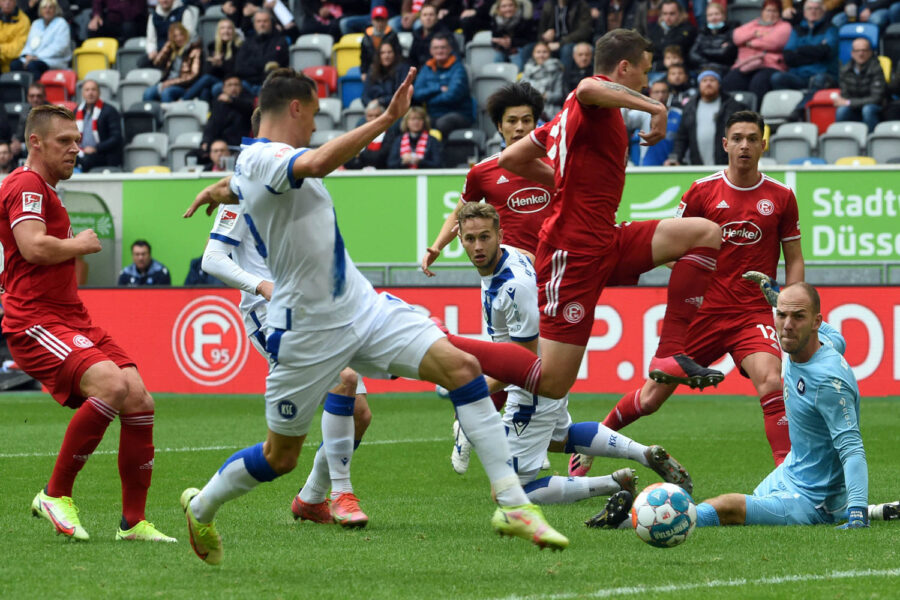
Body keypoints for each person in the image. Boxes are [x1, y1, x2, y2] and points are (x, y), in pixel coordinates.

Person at [179, 66, 569, 565]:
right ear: (295, 108)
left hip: (363, 306)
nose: (315, 127)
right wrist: (387, 118)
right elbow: (315, 163)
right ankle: (204, 507)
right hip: (307, 329)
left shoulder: (255, 166)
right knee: (281, 457)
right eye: (314, 115)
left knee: (463, 369)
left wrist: (219, 190)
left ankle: (513, 504)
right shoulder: (266, 155)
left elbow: (247, 183)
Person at [433, 29, 725, 416]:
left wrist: (563, 180)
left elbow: (511, 159)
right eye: (644, 71)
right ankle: (440, 339)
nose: (646, 81)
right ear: (624, 68)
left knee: (705, 233)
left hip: (605, 238)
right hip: (570, 254)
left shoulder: (569, 117)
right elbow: (589, 86)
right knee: (553, 382)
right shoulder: (589, 100)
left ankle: (670, 352)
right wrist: (656, 107)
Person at [588, 111, 802, 480]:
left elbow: (795, 260)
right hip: (702, 315)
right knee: (651, 398)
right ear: (725, 144)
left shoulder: (781, 196)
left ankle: (789, 476)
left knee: (771, 381)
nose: (745, 145)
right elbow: (672, 251)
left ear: (764, 145)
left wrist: (788, 305)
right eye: (737, 138)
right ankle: (592, 442)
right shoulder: (702, 191)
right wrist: (701, 275)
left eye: (752, 138)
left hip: (750, 315)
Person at [0, 105, 175, 543]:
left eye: (78, 140)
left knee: (139, 400)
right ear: (35, 143)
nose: (76, 149)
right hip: (35, 320)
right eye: (65, 141)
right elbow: (32, 247)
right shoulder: (26, 184)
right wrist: (77, 243)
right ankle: (55, 494)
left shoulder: (47, 189)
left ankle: (133, 523)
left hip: (70, 317)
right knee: (112, 386)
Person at [455, 201, 694, 507]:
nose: (478, 246)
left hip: (534, 385)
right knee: (559, 438)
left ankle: (611, 483)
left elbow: (522, 363)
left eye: (485, 237)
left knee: (508, 493)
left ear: (500, 234)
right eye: (470, 238)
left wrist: (469, 394)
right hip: (550, 368)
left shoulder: (513, 288)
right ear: (459, 237)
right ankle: (644, 453)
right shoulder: (511, 255)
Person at [199, 187, 375, 528]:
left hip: (318, 310)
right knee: (345, 380)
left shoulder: (304, 188)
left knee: (360, 415)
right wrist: (261, 286)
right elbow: (213, 258)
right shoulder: (243, 193)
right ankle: (342, 494)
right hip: (272, 315)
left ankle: (311, 497)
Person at [693, 282, 900, 529]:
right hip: (791, 471)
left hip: (812, 499)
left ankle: (651, 520)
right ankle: (865, 510)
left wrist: (857, 514)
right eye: (781, 315)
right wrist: (784, 300)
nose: (787, 325)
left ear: (815, 322)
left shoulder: (828, 381)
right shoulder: (822, 340)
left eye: (798, 317)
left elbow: (852, 448)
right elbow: (837, 338)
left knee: (728, 508)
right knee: (752, 503)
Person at [421, 81, 551, 277]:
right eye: (512, 121)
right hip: (509, 274)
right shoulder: (482, 172)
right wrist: (437, 247)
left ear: (535, 124)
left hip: (556, 270)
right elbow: (459, 213)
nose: (519, 128)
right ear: (500, 126)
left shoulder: (557, 164)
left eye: (526, 120)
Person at [665, 70, 747, 166]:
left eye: (712, 80)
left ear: (719, 84)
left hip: (728, 166)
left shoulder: (732, 106)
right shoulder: (690, 107)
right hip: (698, 167)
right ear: (699, 85)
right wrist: (676, 157)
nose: (708, 83)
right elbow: (682, 137)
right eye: (704, 81)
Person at [770, 0, 838, 111]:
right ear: (804, 12)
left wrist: (799, 51)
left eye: (817, 9)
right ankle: (786, 110)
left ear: (823, 11)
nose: (813, 11)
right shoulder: (797, 30)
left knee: (820, 80)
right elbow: (788, 57)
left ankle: (800, 110)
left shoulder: (831, 29)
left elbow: (826, 52)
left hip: (822, 75)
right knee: (777, 78)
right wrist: (816, 51)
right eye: (809, 8)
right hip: (799, 76)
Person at [722, 0, 792, 101]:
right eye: (768, 11)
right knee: (729, 81)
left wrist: (750, 43)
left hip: (769, 65)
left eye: (774, 11)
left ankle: (755, 114)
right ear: (762, 12)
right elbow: (736, 36)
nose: (771, 14)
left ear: (779, 13)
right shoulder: (754, 24)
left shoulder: (784, 26)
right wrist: (754, 33)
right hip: (746, 64)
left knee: (758, 83)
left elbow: (774, 43)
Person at [411, 33, 473, 138]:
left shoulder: (458, 69)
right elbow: (416, 93)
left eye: (443, 47)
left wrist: (428, 99)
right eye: (436, 48)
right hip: (432, 114)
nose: (439, 51)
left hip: (458, 113)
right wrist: (439, 88)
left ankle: (438, 154)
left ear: (450, 49)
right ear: (431, 51)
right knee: (410, 121)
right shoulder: (427, 68)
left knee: (442, 124)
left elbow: (452, 96)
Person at [833, 37, 886, 132]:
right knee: (842, 110)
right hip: (854, 107)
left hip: (875, 107)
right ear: (852, 53)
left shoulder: (877, 68)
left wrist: (850, 102)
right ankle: (841, 139)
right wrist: (848, 103)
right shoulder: (845, 70)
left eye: (864, 50)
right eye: (857, 51)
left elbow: (876, 98)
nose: (861, 54)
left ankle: (871, 140)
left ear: (870, 52)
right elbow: (845, 96)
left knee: (867, 110)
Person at [624, 78, 681, 166]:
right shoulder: (644, 113)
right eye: (657, 92)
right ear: (650, 94)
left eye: (663, 92)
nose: (660, 95)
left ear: (669, 94)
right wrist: (624, 101)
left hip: (672, 164)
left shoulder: (679, 114)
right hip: (648, 165)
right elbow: (626, 120)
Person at [184, 18, 243, 102]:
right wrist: (214, 65)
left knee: (211, 84)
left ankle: (183, 100)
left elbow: (237, 71)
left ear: (233, 31)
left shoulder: (238, 47)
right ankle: (206, 114)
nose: (226, 31)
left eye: (229, 28)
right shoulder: (212, 46)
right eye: (223, 28)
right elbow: (207, 71)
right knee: (205, 90)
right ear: (218, 31)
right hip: (216, 79)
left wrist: (221, 65)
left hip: (231, 81)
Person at [142, 23, 203, 103]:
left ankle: (168, 115)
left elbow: (193, 75)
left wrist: (170, 83)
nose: (179, 38)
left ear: (185, 34)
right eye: (175, 36)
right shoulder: (172, 50)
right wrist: (168, 45)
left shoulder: (195, 50)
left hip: (184, 87)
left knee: (166, 93)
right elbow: (157, 63)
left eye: (181, 35)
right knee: (148, 93)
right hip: (167, 83)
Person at [234, 9, 289, 96]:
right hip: (247, 84)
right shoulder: (247, 42)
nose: (262, 24)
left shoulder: (280, 41)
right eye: (258, 21)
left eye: (265, 21)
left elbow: (275, 63)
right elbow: (239, 68)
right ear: (254, 24)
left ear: (271, 23)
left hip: (269, 85)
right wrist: (261, 68)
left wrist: (251, 63)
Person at [10, 0, 69, 78]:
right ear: (40, 10)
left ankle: (37, 89)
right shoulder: (36, 23)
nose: (47, 10)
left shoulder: (61, 23)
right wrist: (27, 56)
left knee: (33, 66)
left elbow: (59, 48)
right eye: (44, 8)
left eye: (50, 7)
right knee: (15, 64)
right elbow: (29, 44)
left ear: (55, 9)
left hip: (53, 60)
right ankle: (20, 89)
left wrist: (37, 57)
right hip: (33, 59)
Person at [200, 75, 254, 159]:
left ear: (241, 88)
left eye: (236, 85)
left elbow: (249, 109)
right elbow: (212, 124)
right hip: (219, 145)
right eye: (230, 85)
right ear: (223, 89)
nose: (233, 88)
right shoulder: (218, 103)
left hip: (238, 146)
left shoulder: (248, 101)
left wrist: (232, 101)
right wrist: (206, 141)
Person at [75, 79, 123, 173]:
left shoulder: (109, 111)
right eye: (87, 90)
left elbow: (116, 137)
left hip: (103, 154)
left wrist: (96, 148)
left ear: (99, 92)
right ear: (82, 93)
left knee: (86, 161)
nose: (90, 93)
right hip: (81, 152)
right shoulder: (77, 111)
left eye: (93, 90)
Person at [141, 0, 199, 68]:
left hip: (179, 53)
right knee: (142, 62)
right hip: (159, 53)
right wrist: (152, 51)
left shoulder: (184, 12)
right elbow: (151, 40)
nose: (164, 1)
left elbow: (188, 36)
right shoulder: (153, 16)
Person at [537, 0, 593, 69]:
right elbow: (540, 32)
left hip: (573, 41)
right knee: (531, 49)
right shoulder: (548, 5)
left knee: (566, 49)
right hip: (551, 43)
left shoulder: (580, 5)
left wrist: (561, 43)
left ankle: (565, 77)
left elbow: (585, 31)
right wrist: (545, 36)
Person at [344, 100, 397, 169]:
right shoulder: (358, 134)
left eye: (377, 115)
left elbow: (379, 158)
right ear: (365, 117)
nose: (374, 119)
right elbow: (348, 160)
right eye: (370, 116)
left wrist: (360, 155)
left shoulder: (390, 134)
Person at [688, 1, 737, 75]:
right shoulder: (702, 32)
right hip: (703, 69)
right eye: (710, 15)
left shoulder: (732, 31)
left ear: (724, 15)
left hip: (724, 70)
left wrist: (703, 51)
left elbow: (726, 54)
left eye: (717, 14)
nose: (713, 18)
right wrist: (713, 57)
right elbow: (692, 55)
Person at [647, 0, 696, 72]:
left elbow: (674, 47)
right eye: (665, 13)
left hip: (680, 71)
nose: (668, 17)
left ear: (680, 13)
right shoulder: (655, 29)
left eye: (672, 14)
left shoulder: (688, 29)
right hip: (657, 69)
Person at [361, 38, 412, 108]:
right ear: (379, 55)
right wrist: (371, 105)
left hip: (395, 108)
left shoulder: (402, 69)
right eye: (383, 53)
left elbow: (400, 95)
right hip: (374, 109)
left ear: (395, 54)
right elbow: (364, 96)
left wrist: (380, 101)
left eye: (389, 52)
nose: (386, 56)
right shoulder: (372, 69)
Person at [521, 42, 565, 121]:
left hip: (550, 109)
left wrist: (545, 96)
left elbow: (559, 95)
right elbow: (521, 90)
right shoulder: (527, 69)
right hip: (529, 106)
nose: (541, 55)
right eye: (538, 52)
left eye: (544, 52)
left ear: (549, 54)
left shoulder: (557, 70)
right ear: (533, 54)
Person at [490, 0, 535, 73]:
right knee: (498, 57)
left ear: (516, 7)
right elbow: (494, 40)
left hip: (520, 48)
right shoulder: (496, 20)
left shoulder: (525, 18)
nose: (508, 9)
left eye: (510, 5)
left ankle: (518, 80)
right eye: (504, 6)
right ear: (498, 9)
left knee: (517, 58)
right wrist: (501, 43)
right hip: (503, 49)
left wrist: (511, 42)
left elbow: (530, 40)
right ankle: (496, 79)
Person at [360, 6, 399, 80]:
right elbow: (363, 57)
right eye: (377, 20)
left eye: (382, 20)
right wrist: (363, 72)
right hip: (372, 70)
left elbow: (397, 54)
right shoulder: (367, 36)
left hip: (390, 70)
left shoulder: (392, 35)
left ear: (387, 21)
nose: (380, 23)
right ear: (372, 21)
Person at [10, 82, 43, 161]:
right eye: (32, 96)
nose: (35, 99)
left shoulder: (52, 114)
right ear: (28, 98)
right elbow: (19, 135)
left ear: (44, 97)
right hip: (28, 150)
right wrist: (15, 143)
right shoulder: (25, 113)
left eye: (39, 96)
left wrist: (22, 146)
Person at [0, 0, 30, 73]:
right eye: (4, 0)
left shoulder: (23, 21)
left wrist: (1, 49)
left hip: (11, 64)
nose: (7, 3)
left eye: (10, 0)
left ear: (15, 2)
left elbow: (18, 49)